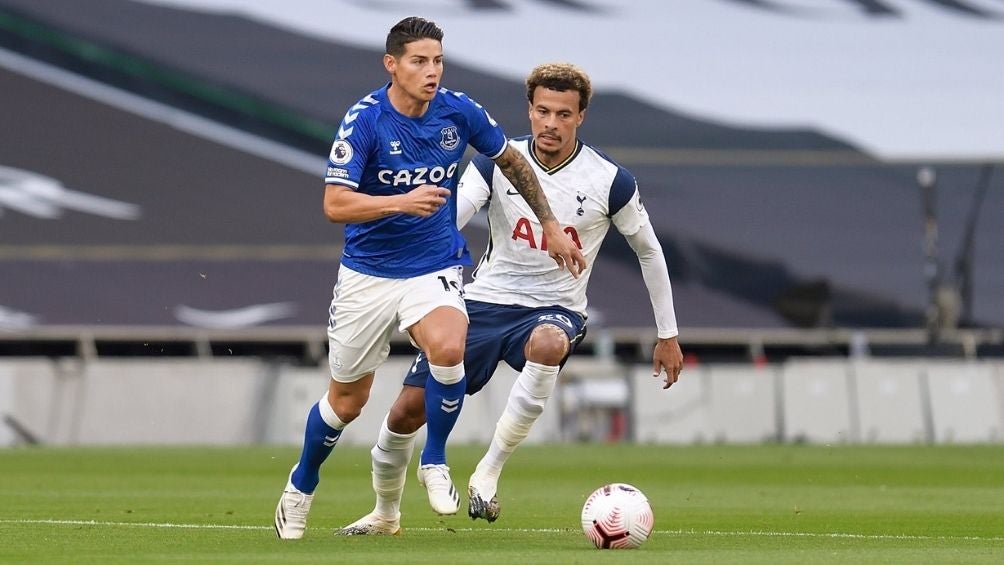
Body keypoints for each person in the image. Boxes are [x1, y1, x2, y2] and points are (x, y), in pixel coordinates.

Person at [337, 62, 683, 536]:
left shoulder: (610, 180)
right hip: (482, 301)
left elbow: (650, 252)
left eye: (564, 114)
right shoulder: (495, 163)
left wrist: (667, 334)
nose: (551, 124)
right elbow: (450, 219)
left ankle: (488, 473)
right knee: (404, 413)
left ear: (580, 117)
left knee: (547, 344)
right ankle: (384, 514)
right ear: (530, 110)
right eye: (543, 111)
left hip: (553, 308)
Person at [273, 19, 586, 540]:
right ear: (391, 64)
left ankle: (434, 461)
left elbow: (511, 161)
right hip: (367, 275)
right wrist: (402, 200)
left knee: (448, 346)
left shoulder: (458, 111)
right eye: (419, 61)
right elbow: (334, 204)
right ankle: (300, 485)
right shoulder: (365, 121)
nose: (432, 71)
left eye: (438, 60)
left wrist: (550, 223)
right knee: (346, 403)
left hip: (433, 265)